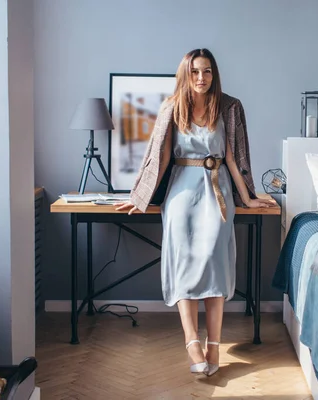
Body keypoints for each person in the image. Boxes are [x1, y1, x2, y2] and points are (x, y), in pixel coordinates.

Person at [114, 48, 274, 376]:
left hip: (217, 189)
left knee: (215, 261)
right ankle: (191, 341)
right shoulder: (172, 107)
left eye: (208, 72)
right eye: (195, 72)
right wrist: (139, 197)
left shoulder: (229, 106)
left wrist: (249, 197)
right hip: (181, 191)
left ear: (215, 74)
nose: (201, 78)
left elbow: (234, 157)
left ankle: (214, 343)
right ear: (186, 74)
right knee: (184, 260)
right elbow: (158, 158)